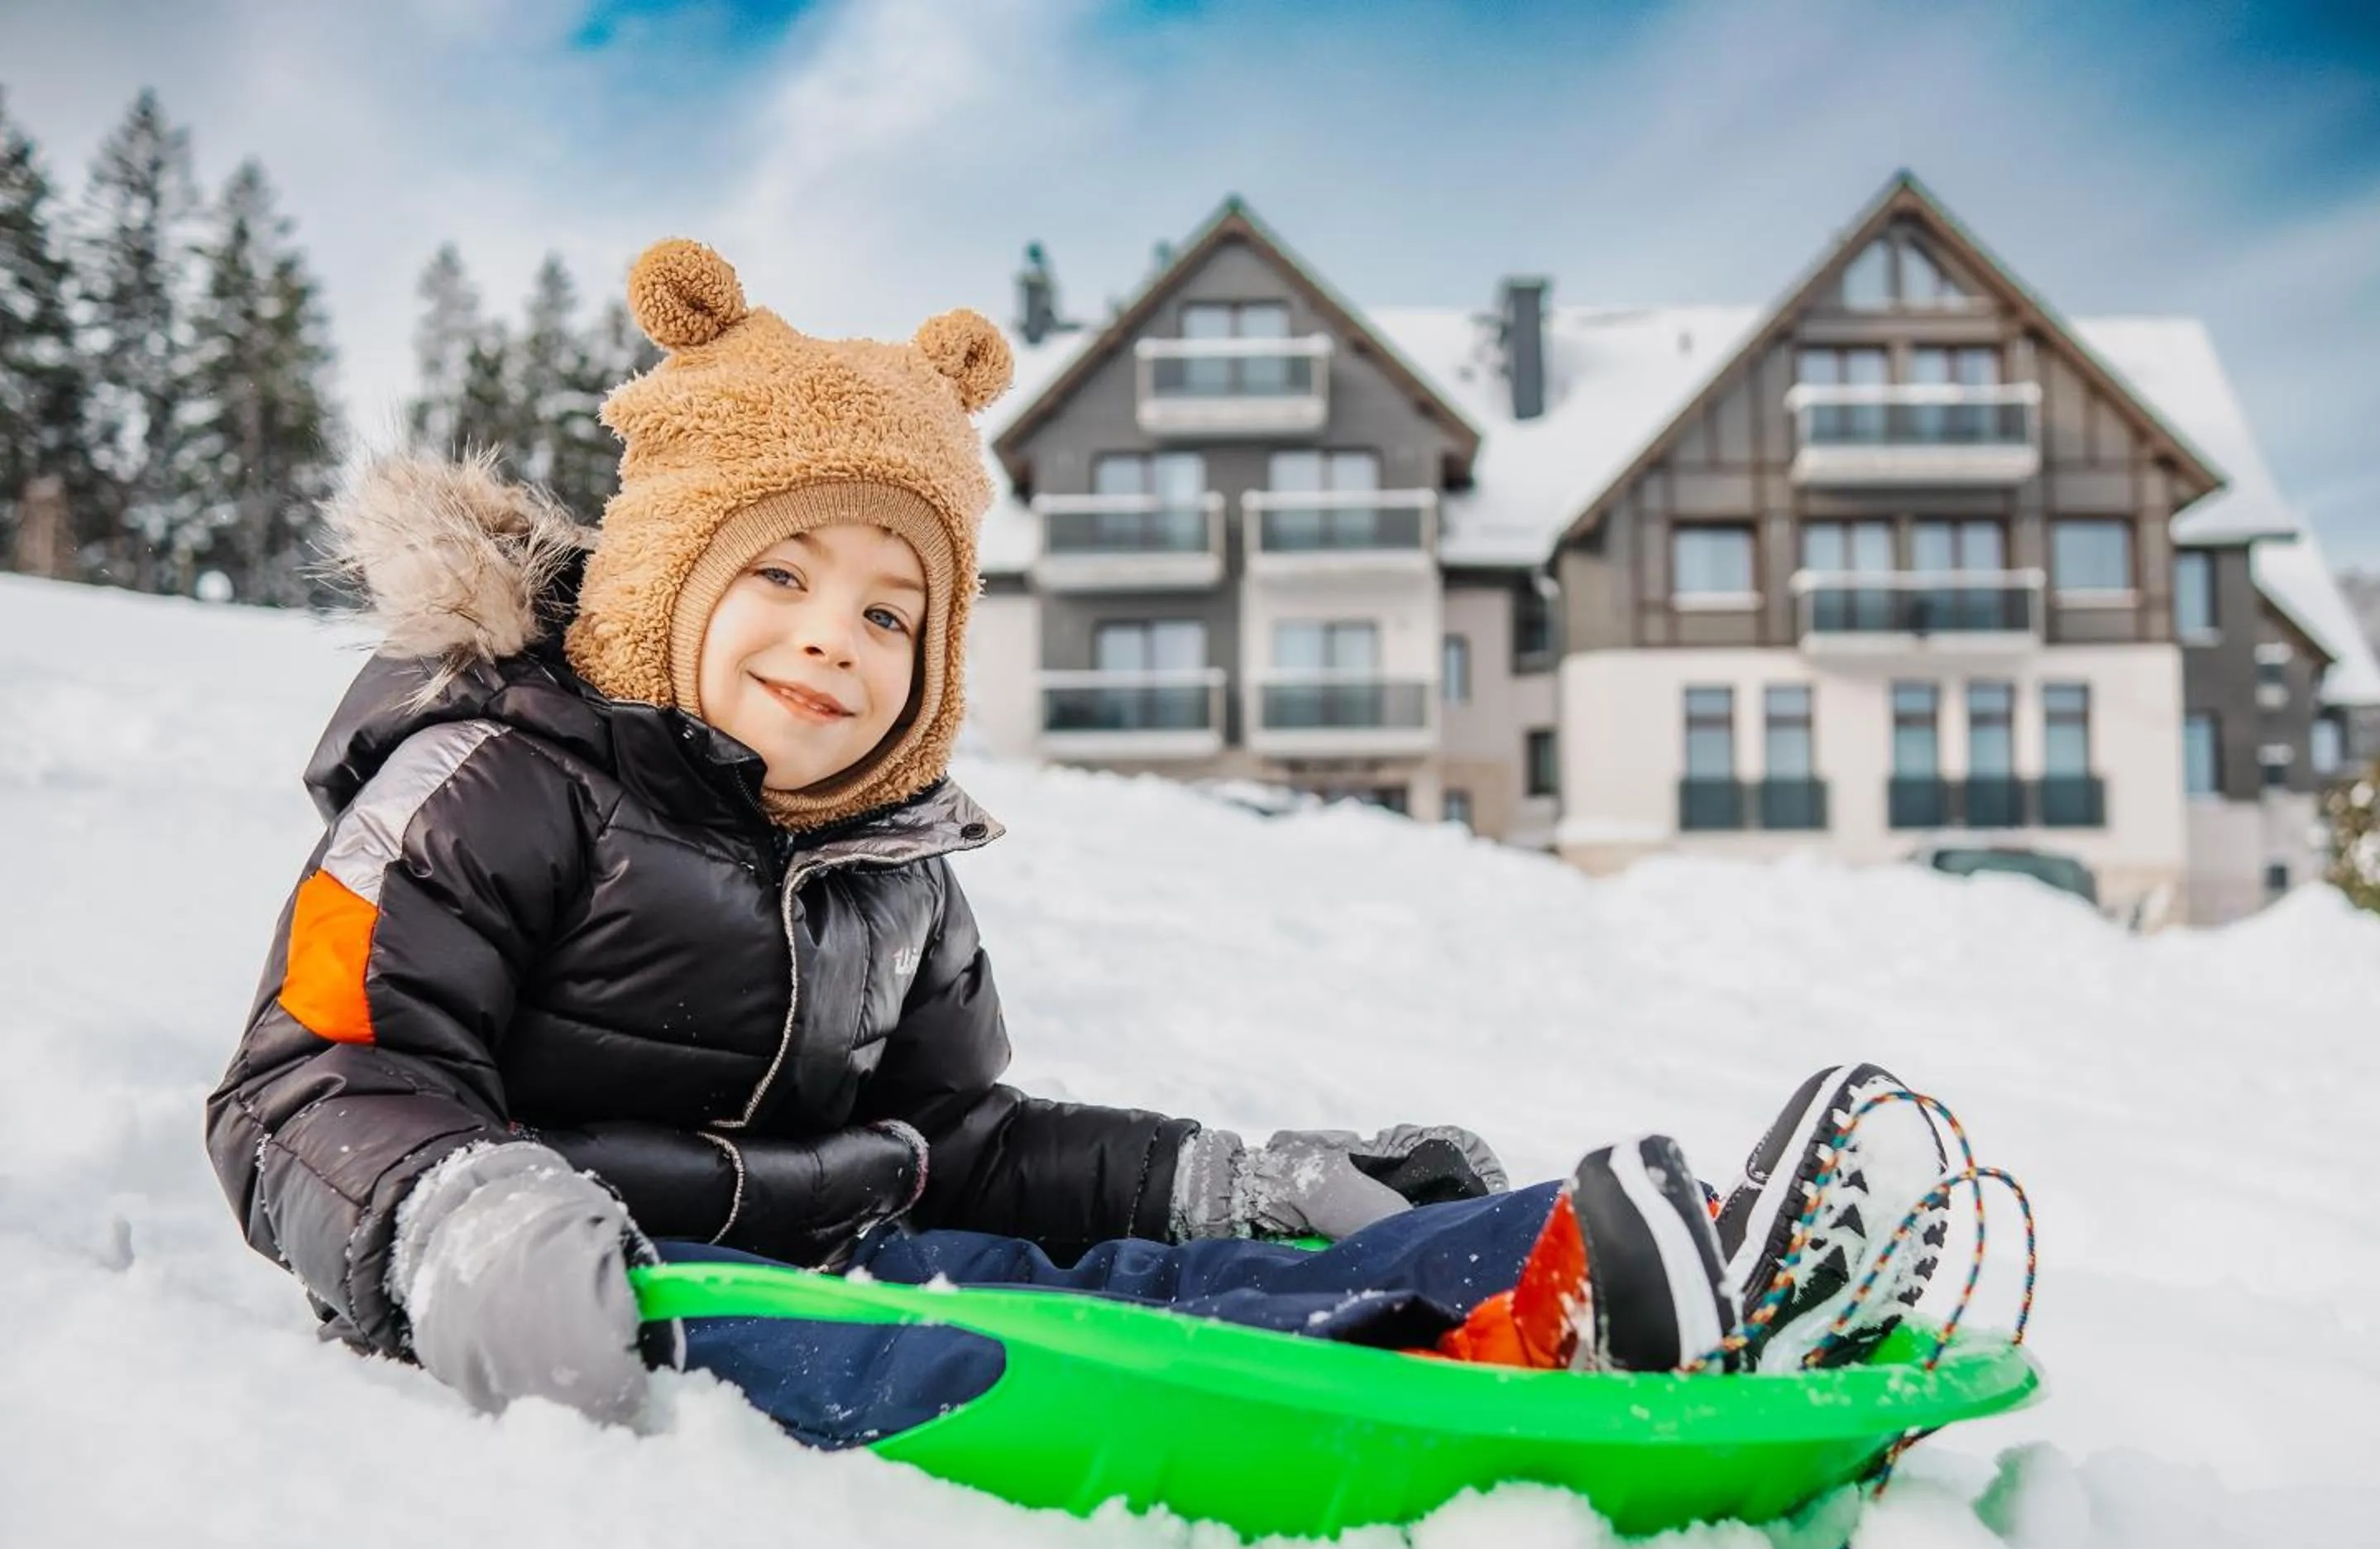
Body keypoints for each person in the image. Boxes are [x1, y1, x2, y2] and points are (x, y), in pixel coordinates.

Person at [204, 240, 1953, 1447]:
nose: (838, 637)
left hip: (852, 1251)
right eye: (785, 579)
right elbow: (305, 1081)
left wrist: (1220, 1178)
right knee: (1098, 1341)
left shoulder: (891, 867)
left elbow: (964, 1138)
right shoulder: (489, 784)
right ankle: (1543, 1328)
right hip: (625, 1290)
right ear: (667, 583)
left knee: (1148, 1266)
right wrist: (457, 1219)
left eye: (896, 611)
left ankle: (1664, 1254)